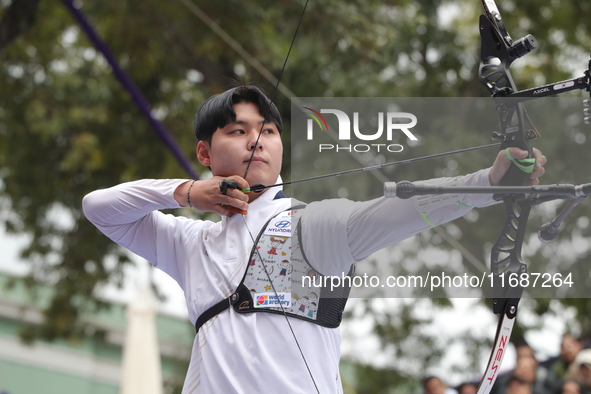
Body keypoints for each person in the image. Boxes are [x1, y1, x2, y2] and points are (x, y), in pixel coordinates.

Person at [82, 85, 547, 393]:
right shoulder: (191, 244)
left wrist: (488, 182)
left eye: (267, 130)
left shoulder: (306, 226)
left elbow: (399, 211)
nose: (256, 141)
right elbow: (99, 208)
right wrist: (185, 192)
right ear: (205, 151)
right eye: (238, 130)